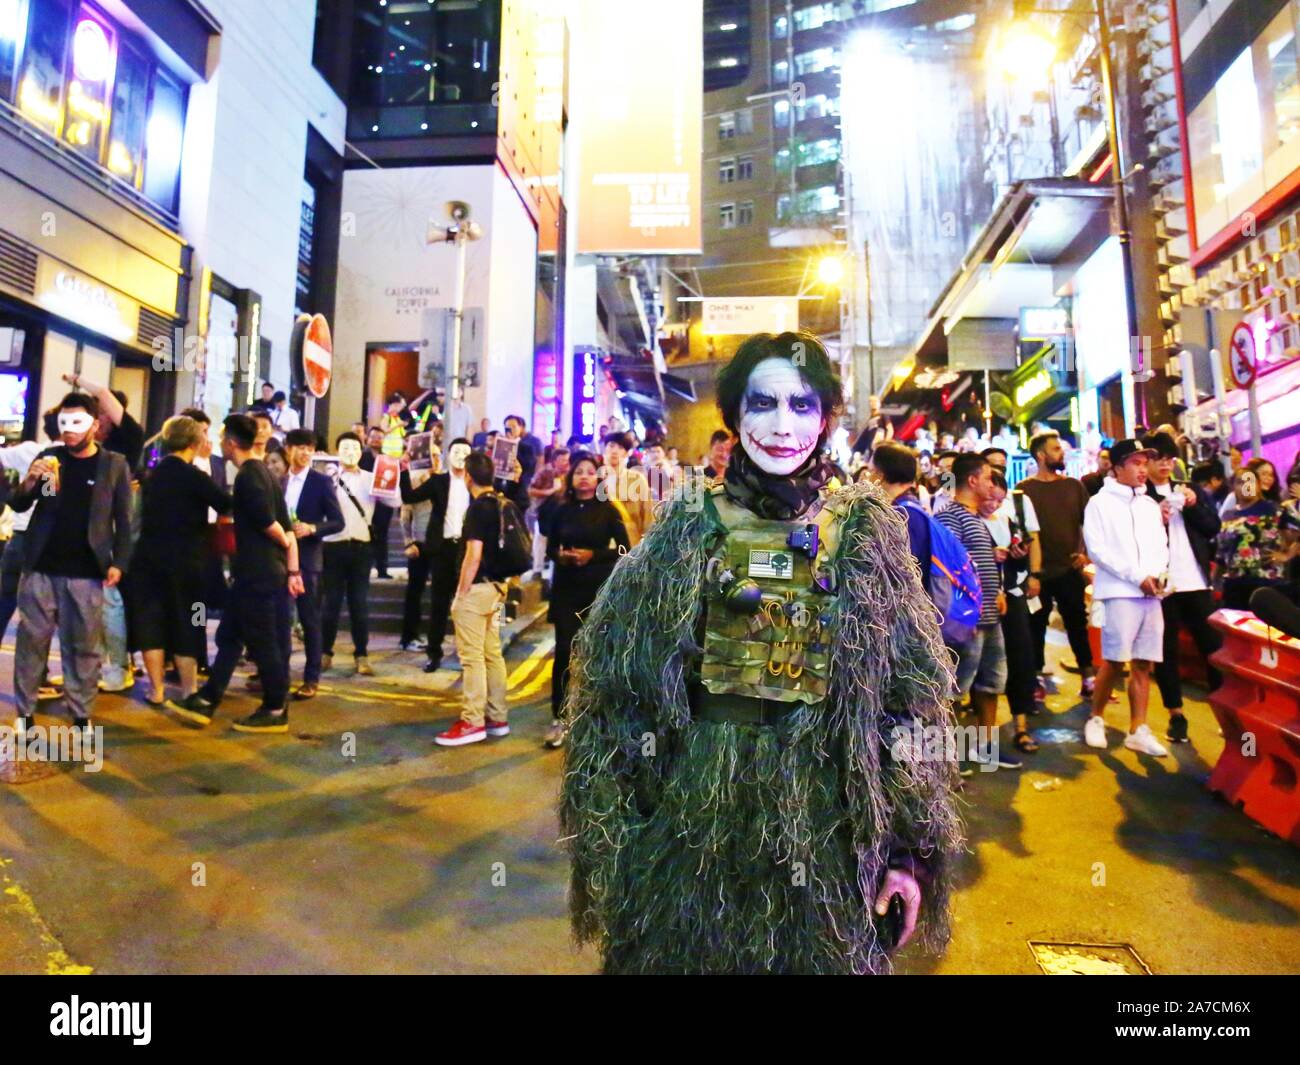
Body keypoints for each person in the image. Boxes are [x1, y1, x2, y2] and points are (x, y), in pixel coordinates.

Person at [560, 330, 961, 974]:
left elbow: (907, 702)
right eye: (761, 404)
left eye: (802, 406)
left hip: (829, 837)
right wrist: (620, 851)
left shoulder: (861, 534)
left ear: (827, 417)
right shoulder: (686, 532)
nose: (782, 426)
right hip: (695, 835)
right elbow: (617, 705)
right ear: (733, 416)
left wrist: (908, 853)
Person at [169, 415, 304, 733]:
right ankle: (207, 699)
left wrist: (283, 543)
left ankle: (274, 708)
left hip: (259, 573)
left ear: (231, 442)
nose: (218, 444)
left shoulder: (248, 476)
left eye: (220, 438)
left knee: (264, 642)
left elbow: (269, 522)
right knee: (229, 637)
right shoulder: (264, 473)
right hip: (254, 574)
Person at [8, 393, 133, 735]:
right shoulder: (51, 458)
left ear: (95, 425)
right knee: (31, 643)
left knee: (82, 647)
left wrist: (119, 563)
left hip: (87, 572)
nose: (69, 431)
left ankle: (80, 715)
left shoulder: (113, 465)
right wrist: (31, 482)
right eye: (64, 423)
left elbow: (125, 520)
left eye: (77, 423)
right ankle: (25, 712)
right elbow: (24, 504)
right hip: (41, 567)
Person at [132, 416, 232, 706]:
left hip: (147, 559)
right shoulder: (195, 476)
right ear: (195, 443)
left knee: (151, 623)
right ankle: (189, 690)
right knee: (188, 622)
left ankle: (157, 690)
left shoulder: (151, 475)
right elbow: (225, 504)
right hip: (187, 562)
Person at [1082, 439, 1171, 756]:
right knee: (1115, 660)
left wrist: (1160, 575)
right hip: (1119, 592)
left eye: (1145, 462)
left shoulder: (1149, 505)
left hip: (1151, 594)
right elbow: (1098, 551)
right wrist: (1137, 577)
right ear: (1117, 467)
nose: (1142, 469)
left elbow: (1161, 545)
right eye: (1135, 463)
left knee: (1144, 662)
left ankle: (1139, 728)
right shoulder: (1100, 504)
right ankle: (1096, 718)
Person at [937, 454, 1019, 770]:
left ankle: (984, 747)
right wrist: (961, 616)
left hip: (989, 619)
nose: (991, 483)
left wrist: (996, 591)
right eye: (987, 477)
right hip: (967, 622)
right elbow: (949, 571)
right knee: (954, 689)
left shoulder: (976, 518)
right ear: (972, 481)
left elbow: (979, 565)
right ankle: (945, 759)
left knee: (991, 682)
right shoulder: (949, 518)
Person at [542, 452, 629, 749]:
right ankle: (560, 716)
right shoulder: (560, 509)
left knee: (596, 654)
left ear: (598, 477)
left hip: (597, 590)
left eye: (589, 471)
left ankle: (594, 716)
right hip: (566, 589)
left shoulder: (608, 510)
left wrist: (594, 555)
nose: (583, 476)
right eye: (578, 471)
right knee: (564, 653)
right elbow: (550, 549)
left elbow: (623, 550)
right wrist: (561, 556)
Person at [1140, 432, 1222, 743]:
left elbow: (1212, 527)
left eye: (1170, 459)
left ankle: (1223, 709)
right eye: (1159, 458)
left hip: (1195, 581)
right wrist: (1155, 515)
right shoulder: (1140, 495)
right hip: (1162, 584)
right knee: (1166, 650)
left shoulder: (1190, 490)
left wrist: (1192, 504)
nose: (1165, 464)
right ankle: (1175, 714)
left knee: (1213, 647)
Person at [434, 451, 512, 747]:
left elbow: (473, 555)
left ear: (467, 475)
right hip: (496, 589)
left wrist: (460, 593)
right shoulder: (502, 503)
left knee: (472, 657)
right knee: (492, 653)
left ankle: (472, 721)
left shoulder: (478, 508)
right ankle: (497, 717)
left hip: (477, 589)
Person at [1019, 432, 1096, 696]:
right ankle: (1036, 676)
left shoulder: (1074, 486)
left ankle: (1089, 676)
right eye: (1055, 449)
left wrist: (1084, 552)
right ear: (1041, 455)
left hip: (1069, 569)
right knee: (1035, 626)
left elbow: (1090, 524)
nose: (1061, 453)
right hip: (1037, 573)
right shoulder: (1024, 490)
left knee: (1077, 623)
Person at [980, 472, 1040, 756]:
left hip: (1013, 597)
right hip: (982, 601)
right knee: (981, 670)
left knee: (1021, 659)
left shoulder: (1008, 520)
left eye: (998, 499)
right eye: (989, 497)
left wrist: (1020, 555)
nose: (993, 504)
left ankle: (1021, 726)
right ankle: (979, 742)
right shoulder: (967, 522)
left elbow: (1028, 547)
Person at [399, 438, 472, 672]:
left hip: (469, 549)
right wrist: (403, 470)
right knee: (439, 604)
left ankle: (469, 654)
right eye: (456, 451)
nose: (460, 455)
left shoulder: (476, 482)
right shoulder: (438, 481)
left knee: (468, 605)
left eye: (465, 452)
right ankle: (434, 653)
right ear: (448, 455)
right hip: (442, 549)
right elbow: (409, 496)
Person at [283, 428, 344, 699]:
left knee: (310, 621)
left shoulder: (321, 482)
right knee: (279, 620)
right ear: (288, 449)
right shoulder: (279, 480)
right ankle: (276, 674)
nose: (305, 452)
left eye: (309, 448)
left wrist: (312, 528)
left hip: (308, 560)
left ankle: (311, 677)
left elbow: (337, 521)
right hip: (279, 558)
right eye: (300, 447)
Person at [0, 411, 57, 646]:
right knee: (45, 611)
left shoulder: (29, 451)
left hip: (21, 536)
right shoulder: (80, 458)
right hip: (54, 540)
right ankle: (39, 671)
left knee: (6, 601)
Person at [321, 432, 375, 676]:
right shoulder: (327, 478)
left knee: (359, 603)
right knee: (330, 602)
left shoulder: (370, 479)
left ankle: (361, 654)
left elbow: (395, 501)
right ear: (337, 450)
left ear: (362, 451)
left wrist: (395, 472)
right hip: (333, 545)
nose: (350, 452)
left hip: (361, 547)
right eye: (345, 447)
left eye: (355, 447)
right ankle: (324, 652)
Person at [1217, 465, 1296, 609]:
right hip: (1234, 584)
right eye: (1241, 482)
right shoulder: (1227, 515)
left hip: (1266, 583)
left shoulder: (1274, 509)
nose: (1246, 486)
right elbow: (1222, 551)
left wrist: (1287, 555)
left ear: (1259, 485)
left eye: (1251, 481)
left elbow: (1296, 533)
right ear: (1233, 486)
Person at [869, 441, 931, 594]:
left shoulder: (901, 514)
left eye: (870, 472)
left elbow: (902, 574)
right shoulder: (908, 508)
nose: (867, 479)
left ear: (880, 476)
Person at [599, 431, 653, 546]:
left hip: (630, 544)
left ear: (627, 453)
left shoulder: (637, 480)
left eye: (620, 447)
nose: (615, 451)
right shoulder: (596, 479)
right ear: (604, 448)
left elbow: (648, 516)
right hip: (600, 546)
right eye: (611, 445)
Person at [851, 394, 894, 459]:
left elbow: (890, 429)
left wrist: (886, 442)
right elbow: (863, 434)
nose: (873, 403)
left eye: (875, 401)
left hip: (880, 445)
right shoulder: (869, 419)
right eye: (871, 401)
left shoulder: (883, 415)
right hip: (871, 448)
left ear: (879, 403)